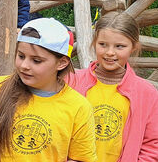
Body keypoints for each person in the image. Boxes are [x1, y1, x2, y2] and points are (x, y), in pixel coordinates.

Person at [0, 18, 96, 162]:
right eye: (21, 56)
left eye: (36, 60)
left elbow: (81, 158)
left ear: (62, 63)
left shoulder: (78, 107)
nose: (24, 65)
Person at [66, 11, 158, 161]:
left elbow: (152, 145)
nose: (110, 52)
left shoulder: (147, 94)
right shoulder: (72, 82)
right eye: (103, 45)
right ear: (94, 42)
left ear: (134, 47)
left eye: (119, 46)